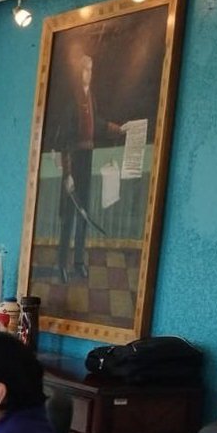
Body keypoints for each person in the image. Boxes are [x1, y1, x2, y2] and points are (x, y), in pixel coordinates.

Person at [53, 53, 122, 283]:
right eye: (85, 69)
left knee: (84, 214)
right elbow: (65, 142)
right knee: (70, 216)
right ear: (78, 72)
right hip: (74, 160)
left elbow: (97, 124)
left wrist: (116, 129)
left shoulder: (90, 97)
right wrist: (68, 174)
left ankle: (78, 263)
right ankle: (62, 264)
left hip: (87, 159)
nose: (88, 74)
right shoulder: (72, 101)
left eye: (91, 69)